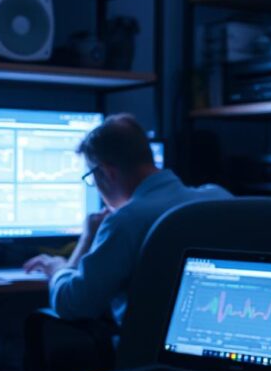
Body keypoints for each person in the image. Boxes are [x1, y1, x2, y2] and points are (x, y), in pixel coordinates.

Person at [23, 114, 232, 326]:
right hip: (219, 338)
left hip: (144, 355)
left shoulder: (125, 222)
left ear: (106, 172)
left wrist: (59, 267)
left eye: (91, 177)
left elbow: (73, 304)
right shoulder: (220, 198)